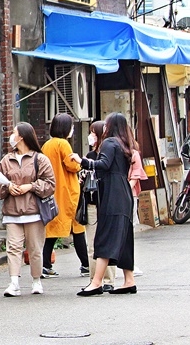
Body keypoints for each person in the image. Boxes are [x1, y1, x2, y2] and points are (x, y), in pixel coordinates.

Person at [71, 112, 137, 296]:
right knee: (124, 238)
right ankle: (129, 280)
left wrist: (82, 161)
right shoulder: (125, 144)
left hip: (112, 194)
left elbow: (104, 164)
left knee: (105, 236)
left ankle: (96, 282)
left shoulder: (109, 143)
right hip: (124, 193)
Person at [0, 122, 56, 297]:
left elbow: (50, 184)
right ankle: (14, 283)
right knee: (13, 248)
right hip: (12, 212)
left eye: (14, 133)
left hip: (34, 212)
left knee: (35, 248)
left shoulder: (40, 159)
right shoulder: (6, 160)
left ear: (22, 136)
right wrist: (7, 187)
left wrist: (31, 186)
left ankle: (36, 280)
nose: (11, 136)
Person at [40, 113, 89, 279]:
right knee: (78, 228)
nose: (73, 130)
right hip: (68, 191)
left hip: (53, 192)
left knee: (52, 230)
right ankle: (86, 265)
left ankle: (45, 264)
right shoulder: (64, 144)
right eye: (72, 127)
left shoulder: (47, 145)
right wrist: (80, 162)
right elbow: (73, 166)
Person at [82, 120, 116, 291]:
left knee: (107, 243)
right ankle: (95, 280)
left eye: (93, 133)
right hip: (92, 203)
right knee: (92, 245)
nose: (91, 136)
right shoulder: (89, 156)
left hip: (107, 203)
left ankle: (109, 280)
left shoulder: (110, 154)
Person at [127, 128, 148, 277]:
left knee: (128, 229)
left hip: (129, 196)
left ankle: (129, 263)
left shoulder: (133, 154)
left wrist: (124, 190)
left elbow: (135, 176)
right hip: (123, 195)